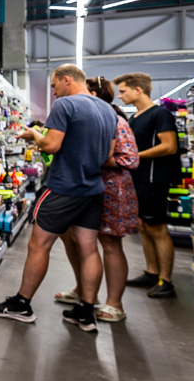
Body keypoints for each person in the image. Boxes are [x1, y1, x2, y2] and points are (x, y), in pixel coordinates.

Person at [0, 64, 118, 332]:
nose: (54, 92)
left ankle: (22, 304)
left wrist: (34, 134)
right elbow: (108, 155)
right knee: (89, 248)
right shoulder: (108, 110)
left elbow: (51, 145)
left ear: (66, 80)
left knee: (39, 245)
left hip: (63, 187)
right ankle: (86, 311)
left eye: (54, 86)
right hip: (93, 188)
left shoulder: (65, 105)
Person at [54, 77, 140, 322]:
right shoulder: (81, 118)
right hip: (81, 188)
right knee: (75, 239)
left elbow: (130, 159)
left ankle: (115, 304)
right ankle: (83, 291)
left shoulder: (115, 120)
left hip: (111, 190)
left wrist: (92, 156)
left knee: (110, 243)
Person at [114, 72, 181, 298]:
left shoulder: (160, 114)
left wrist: (135, 156)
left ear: (138, 90)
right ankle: (152, 272)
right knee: (143, 225)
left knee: (157, 228)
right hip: (139, 178)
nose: (120, 96)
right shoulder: (135, 117)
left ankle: (166, 281)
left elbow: (169, 146)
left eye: (123, 91)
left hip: (154, 178)